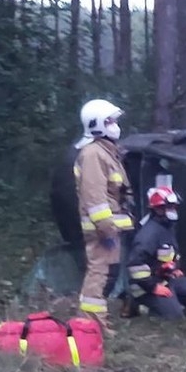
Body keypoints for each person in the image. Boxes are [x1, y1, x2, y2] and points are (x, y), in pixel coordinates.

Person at [73, 99, 136, 321]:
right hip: (101, 230)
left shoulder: (107, 152)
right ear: (96, 124)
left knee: (106, 275)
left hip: (109, 229)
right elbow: (95, 198)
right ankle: (89, 324)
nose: (115, 125)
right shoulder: (93, 154)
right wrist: (106, 229)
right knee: (98, 274)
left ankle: (96, 322)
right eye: (110, 121)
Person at [125, 186, 186, 319]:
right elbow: (135, 267)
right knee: (175, 316)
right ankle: (138, 303)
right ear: (158, 209)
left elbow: (171, 253)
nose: (173, 210)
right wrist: (153, 288)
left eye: (174, 206)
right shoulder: (148, 235)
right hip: (145, 286)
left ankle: (170, 301)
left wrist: (174, 268)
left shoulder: (167, 227)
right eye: (169, 206)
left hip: (166, 279)